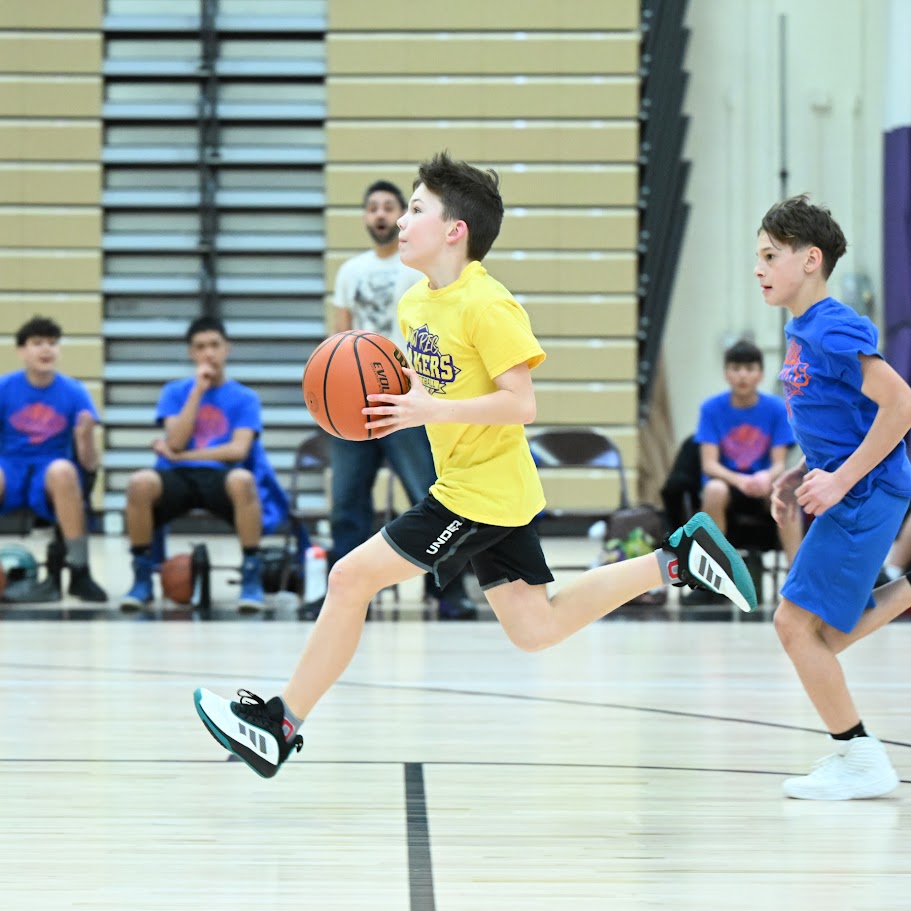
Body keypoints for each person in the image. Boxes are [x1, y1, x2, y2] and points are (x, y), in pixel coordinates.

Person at [194, 151, 757, 779]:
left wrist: (430, 409)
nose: (401, 221)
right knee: (536, 628)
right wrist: (392, 401)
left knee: (350, 578)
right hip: (484, 487)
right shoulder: (414, 304)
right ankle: (678, 559)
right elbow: (437, 383)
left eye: (415, 209)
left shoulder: (488, 305)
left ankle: (279, 725)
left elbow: (522, 403)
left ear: (454, 230)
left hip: (478, 492)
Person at [758, 195, 911, 800]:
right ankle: (855, 755)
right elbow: (841, 417)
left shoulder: (833, 325)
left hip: (866, 492)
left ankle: (860, 757)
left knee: (793, 626)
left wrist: (841, 480)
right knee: (815, 637)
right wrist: (800, 470)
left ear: (810, 259)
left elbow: (900, 405)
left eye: (771, 255)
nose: (759, 268)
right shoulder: (801, 328)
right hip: (856, 489)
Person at [330, 178, 476, 619]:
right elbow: (340, 336)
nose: (379, 213)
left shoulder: (417, 267)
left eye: (388, 206)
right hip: (356, 404)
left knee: (430, 496)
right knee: (346, 503)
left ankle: (447, 589)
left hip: (407, 399)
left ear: (401, 216)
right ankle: (346, 593)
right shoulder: (349, 271)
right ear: (364, 216)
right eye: (371, 206)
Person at [120, 316, 287, 612]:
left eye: (214, 345)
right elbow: (175, 442)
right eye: (200, 347)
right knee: (140, 483)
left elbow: (238, 450)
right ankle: (142, 576)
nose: (208, 353)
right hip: (178, 477)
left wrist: (184, 456)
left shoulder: (245, 397)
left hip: (222, 477)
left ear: (227, 348)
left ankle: (251, 574)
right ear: (190, 353)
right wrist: (197, 391)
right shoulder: (175, 392)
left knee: (244, 481)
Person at [684, 339, 804, 605]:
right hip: (728, 484)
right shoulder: (711, 408)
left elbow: (779, 464)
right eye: (736, 368)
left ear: (760, 374)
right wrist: (740, 480)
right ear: (726, 373)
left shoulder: (776, 408)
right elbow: (709, 465)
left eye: (749, 369)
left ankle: (797, 580)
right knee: (714, 489)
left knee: (786, 491)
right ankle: (712, 577)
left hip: (763, 485)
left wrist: (765, 477)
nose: (742, 375)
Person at [0, 316, 107, 602]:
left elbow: (90, 464)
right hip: (10, 464)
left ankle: (80, 572)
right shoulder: (4, 387)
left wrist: (85, 436)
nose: (46, 349)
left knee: (63, 471)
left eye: (52, 343)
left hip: (50, 467)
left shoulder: (75, 391)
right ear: (22, 351)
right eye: (37, 343)